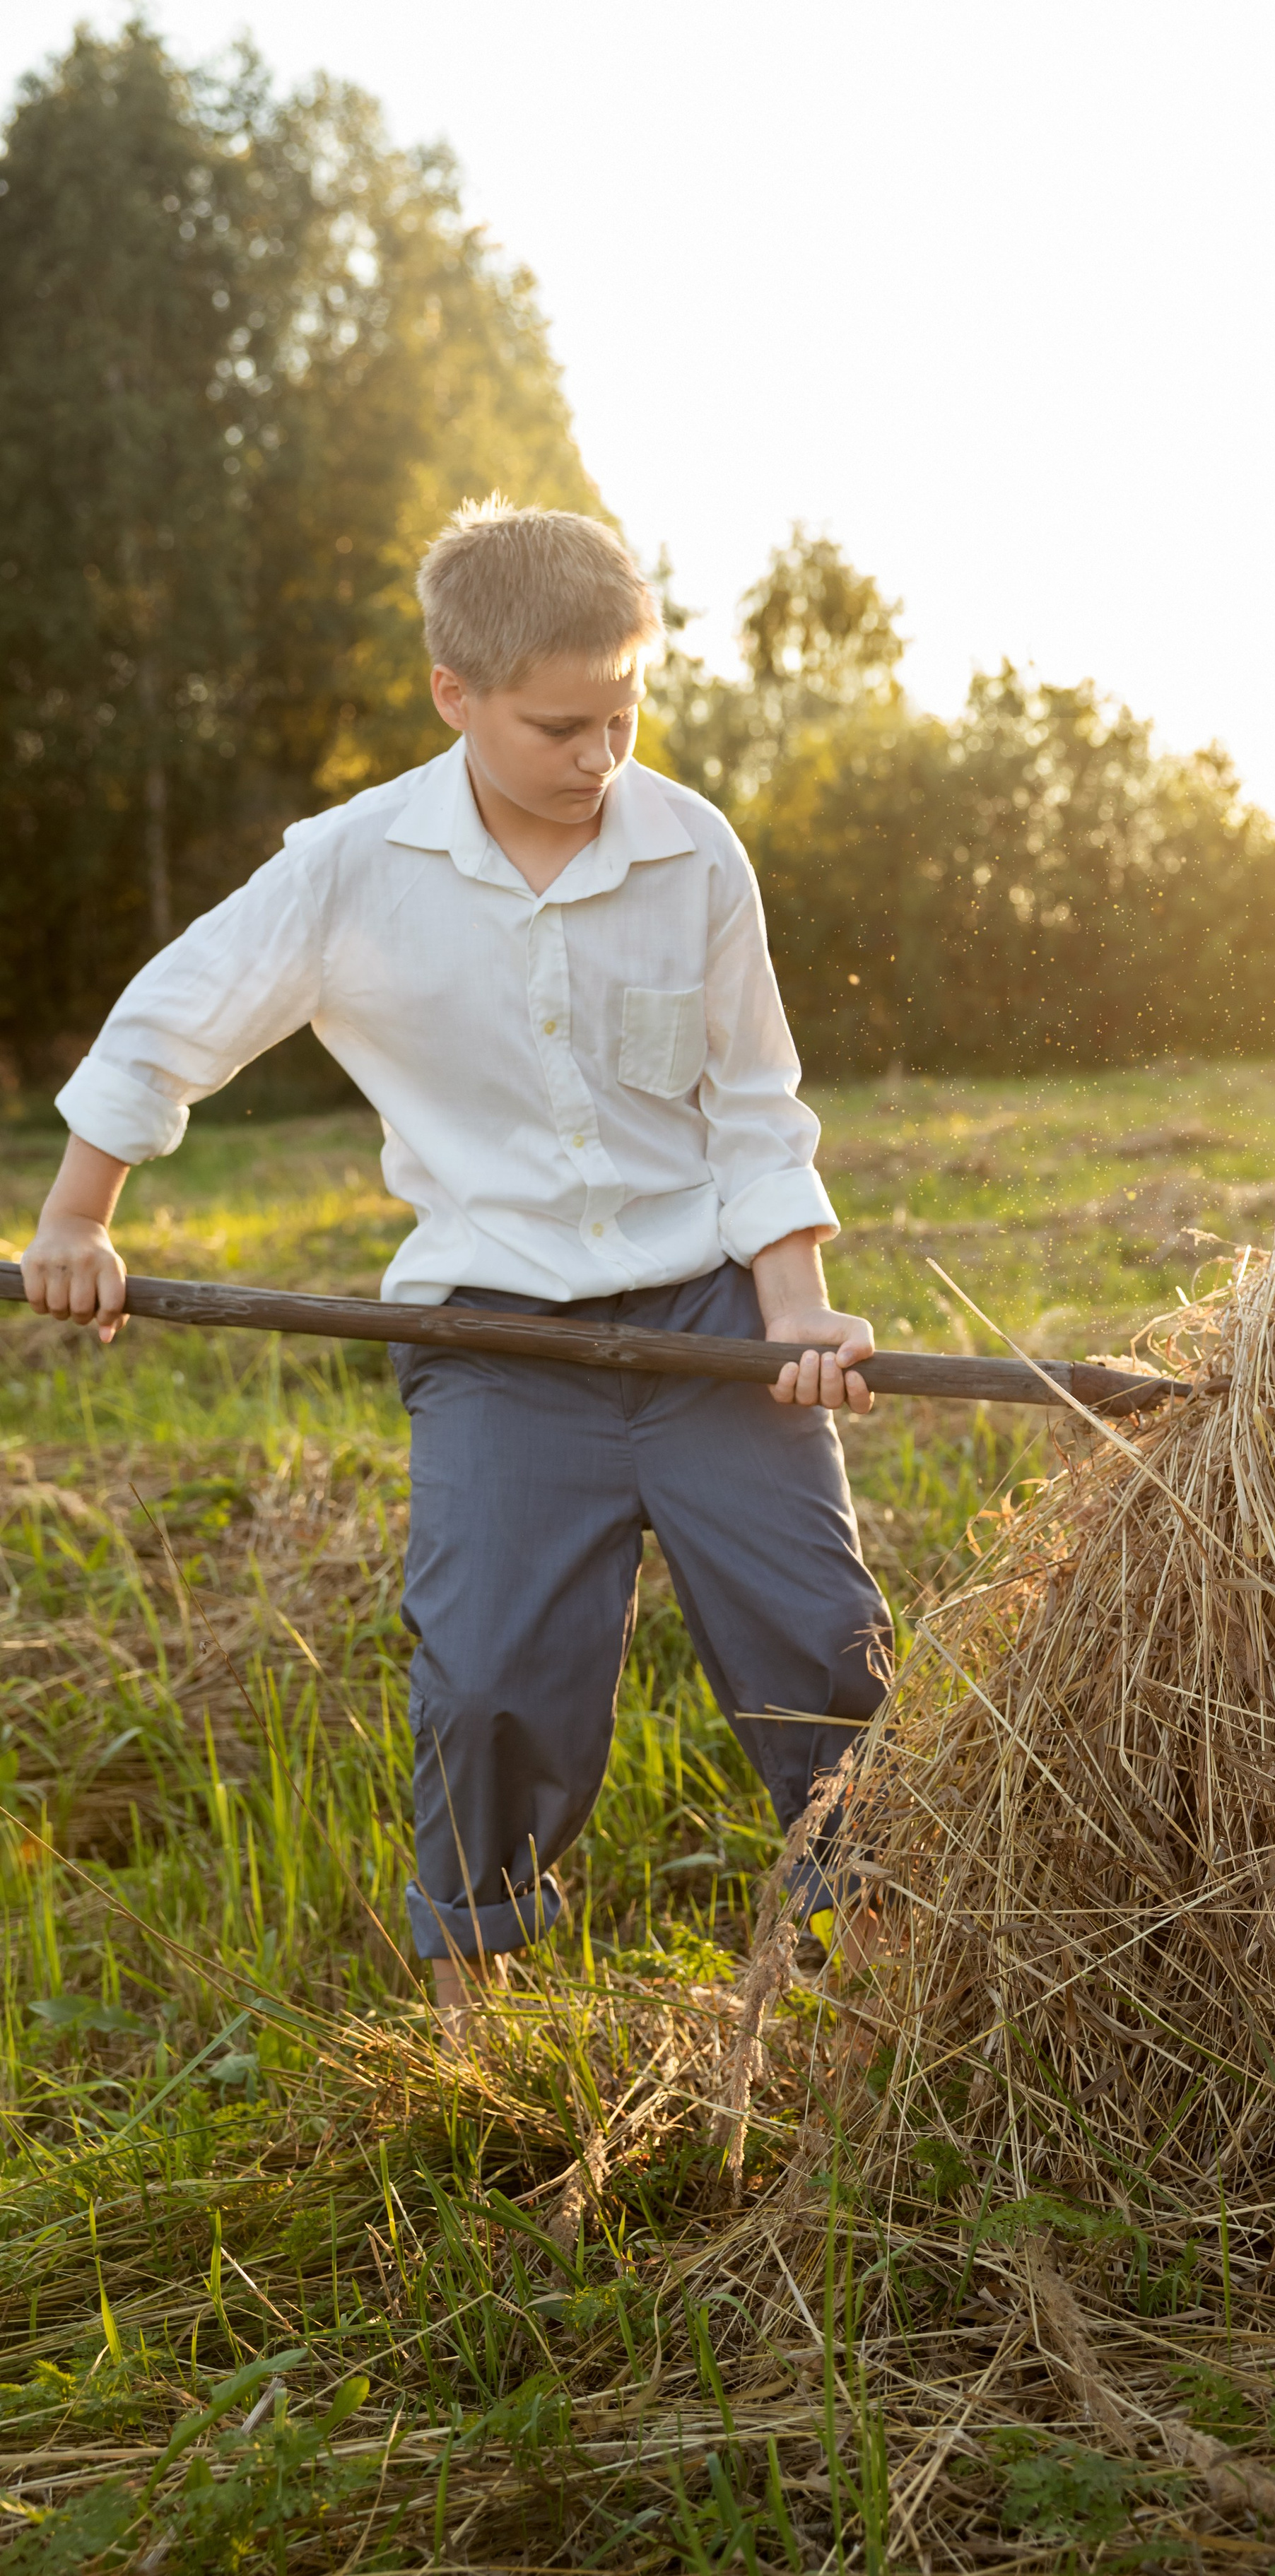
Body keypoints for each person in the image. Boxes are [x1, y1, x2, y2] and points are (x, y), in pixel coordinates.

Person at [21, 495, 891, 2018]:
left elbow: (754, 1109)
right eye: (559, 725)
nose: (599, 756)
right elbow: (177, 1014)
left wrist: (796, 1314)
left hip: (705, 1322)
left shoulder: (693, 854)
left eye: (622, 712)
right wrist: (77, 1219)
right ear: (454, 695)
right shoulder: (353, 865)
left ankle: (883, 1952)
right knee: (489, 1676)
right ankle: (473, 2006)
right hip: (496, 1339)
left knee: (819, 1635)